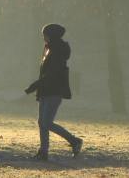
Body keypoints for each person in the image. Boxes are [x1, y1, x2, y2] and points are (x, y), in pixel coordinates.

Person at [25, 23, 83, 161]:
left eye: (45, 35)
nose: (43, 37)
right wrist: (39, 89)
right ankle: (43, 152)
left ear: (51, 35)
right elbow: (45, 73)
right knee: (42, 122)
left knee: (47, 123)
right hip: (46, 90)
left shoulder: (57, 51)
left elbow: (51, 75)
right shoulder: (49, 49)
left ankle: (74, 141)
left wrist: (35, 86)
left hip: (54, 91)